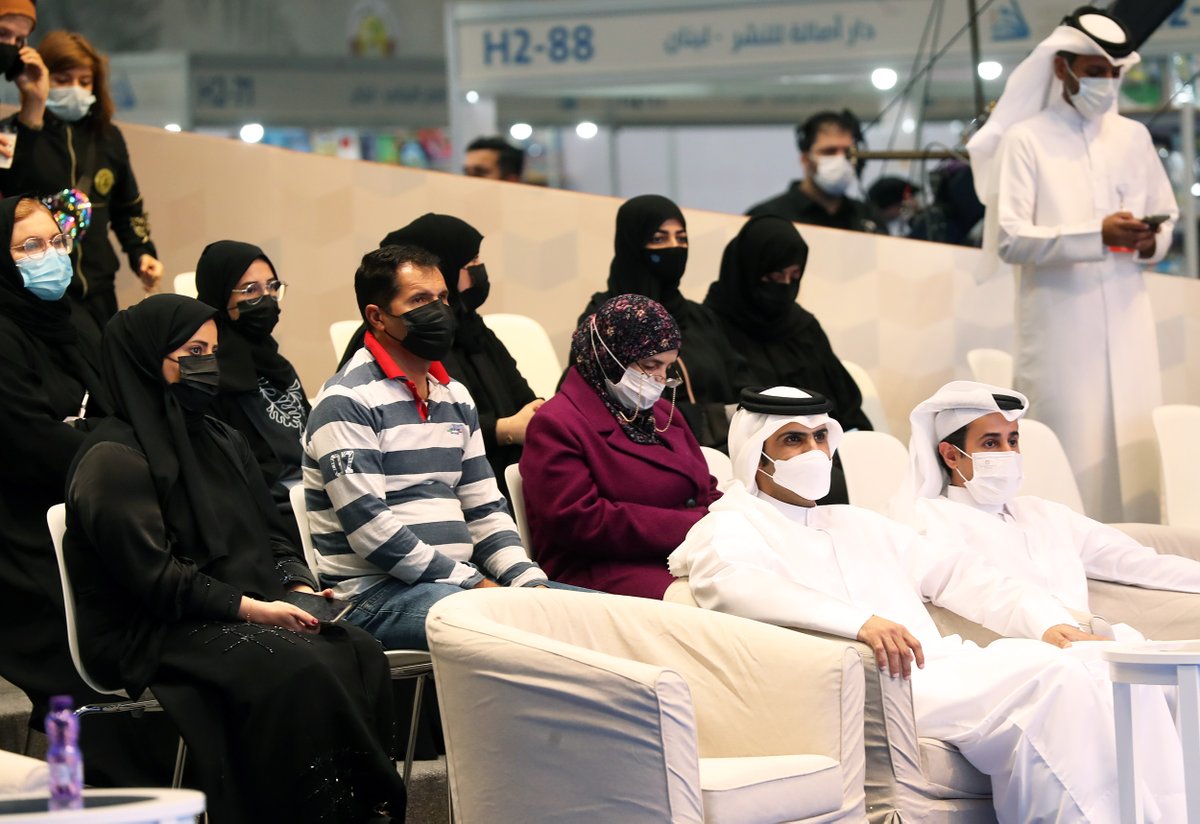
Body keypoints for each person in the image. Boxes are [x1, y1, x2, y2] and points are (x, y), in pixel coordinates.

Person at [668, 386, 1184, 823]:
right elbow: (735, 586)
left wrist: (1046, 622)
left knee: (1099, 666)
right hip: (887, 679)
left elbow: (960, 574)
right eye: (793, 440)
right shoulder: (730, 525)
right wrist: (859, 622)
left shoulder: (855, 522)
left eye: (820, 437)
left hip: (945, 665)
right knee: (1056, 681)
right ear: (756, 453)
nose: (813, 452)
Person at [63, 294, 407, 823]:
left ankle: (360, 809)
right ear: (145, 358)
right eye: (192, 352)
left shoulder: (221, 437)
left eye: (212, 350)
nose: (208, 364)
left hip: (232, 603)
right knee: (296, 667)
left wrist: (295, 587)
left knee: (358, 648)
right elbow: (154, 579)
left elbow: (274, 533)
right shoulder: (112, 459)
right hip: (149, 625)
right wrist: (253, 609)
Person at [967, 7, 1176, 523]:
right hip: (1061, 332)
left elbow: (1167, 217)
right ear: (1062, 68)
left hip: (1129, 324)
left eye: (1114, 73)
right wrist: (1095, 235)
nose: (1106, 83)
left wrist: (1149, 240)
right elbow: (1010, 240)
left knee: (1135, 453)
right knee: (1067, 455)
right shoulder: (1026, 139)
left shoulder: (1133, 137)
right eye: (1095, 70)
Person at [305, 245, 558, 652]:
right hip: (374, 596)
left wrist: (527, 581)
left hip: (457, 584)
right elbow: (372, 532)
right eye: (420, 300)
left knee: (592, 617)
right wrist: (478, 585)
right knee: (528, 633)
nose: (439, 311)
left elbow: (485, 510)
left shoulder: (455, 396)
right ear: (377, 317)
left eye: (442, 297)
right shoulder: (346, 401)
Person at [906, 380, 1200, 641]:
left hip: (1094, 646)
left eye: (1013, 440)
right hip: (1018, 657)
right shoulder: (930, 520)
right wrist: (1047, 625)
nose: (1008, 453)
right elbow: (975, 588)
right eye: (991, 443)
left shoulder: (1044, 513)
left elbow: (1136, 562)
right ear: (951, 455)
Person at [522, 294, 720, 598]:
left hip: (680, 554)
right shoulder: (556, 423)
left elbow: (704, 487)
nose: (660, 379)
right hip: (598, 568)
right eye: (651, 365)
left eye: (667, 367)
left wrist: (728, 518)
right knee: (715, 602)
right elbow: (579, 520)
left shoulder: (662, 412)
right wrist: (694, 526)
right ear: (609, 356)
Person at [337, 214, 542, 495]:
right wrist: (502, 429)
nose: (479, 271)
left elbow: (521, 394)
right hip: (440, 484)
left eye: (442, 297)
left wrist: (536, 412)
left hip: (498, 479)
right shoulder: (408, 341)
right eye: (471, 263)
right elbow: (421, 429)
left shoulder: (473, 327)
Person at [0, 195, 107, 711]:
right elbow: (29, 439)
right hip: (21, 525)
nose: (51, 254)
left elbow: (121, 406)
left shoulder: (75, 319)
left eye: (57, 240)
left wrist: (96, 437)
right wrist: (109, 447)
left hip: (93, 503)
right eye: (30, 246)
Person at [0, 30, 162, 348]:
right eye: (62, 79)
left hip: (99, 288)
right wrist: (32, 115)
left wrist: (142, 252)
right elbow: (9, 199)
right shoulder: (11, 134)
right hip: (38, 290)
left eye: (85, 81)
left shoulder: (109, 137)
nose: (75, 88)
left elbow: (128, 207)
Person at [577, 194, 749, 450]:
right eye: (659, 239)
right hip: (644, 451)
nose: (674, 247)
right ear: (631, 245)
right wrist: (712, 418)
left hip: (727, 448)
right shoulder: (604, 322)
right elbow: (604, 405)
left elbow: (739, 378)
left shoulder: (700, 317)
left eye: (681, 238)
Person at [194, 240, 308, 544]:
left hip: (312, 495)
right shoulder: (205, 373)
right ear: (220, 295)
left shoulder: (277, 364)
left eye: (272, 286)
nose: (267, 298)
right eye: (250, 290)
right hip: (265, 514)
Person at [746, 110, 884, 234]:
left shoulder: (868, 217)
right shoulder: (768, 216)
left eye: (848, 152)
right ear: (805, 159)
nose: (841, 159)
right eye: (829, 151)